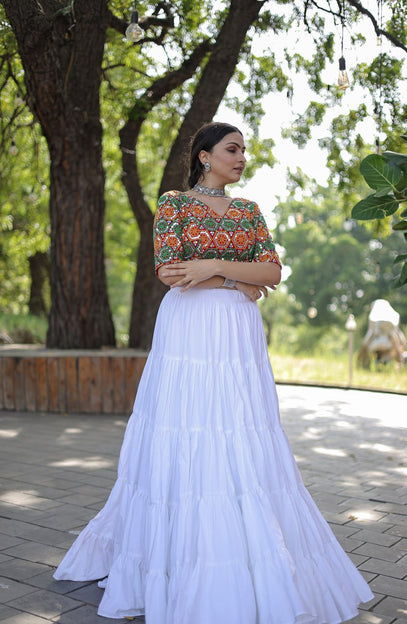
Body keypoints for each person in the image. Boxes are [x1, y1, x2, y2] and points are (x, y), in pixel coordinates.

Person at [54, 122, 373, 622]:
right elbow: (171, 271)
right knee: (190, 426)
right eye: (232, 149)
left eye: (244, 149)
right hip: (189, 333)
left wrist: (215, 270)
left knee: (242, 428)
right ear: (205, 157)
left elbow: (271, 272)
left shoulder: (249, 211)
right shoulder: (174, 205)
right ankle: (184, 557)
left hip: (238, 336)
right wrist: (232, 276)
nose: (242, 156)